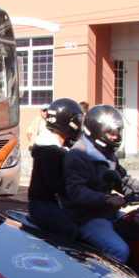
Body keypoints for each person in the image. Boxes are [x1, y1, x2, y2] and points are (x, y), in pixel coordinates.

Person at [63, 104, 131, 263]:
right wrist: (106, 199)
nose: (115, 137)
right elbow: (76, 192)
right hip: (86, 217)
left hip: (106, 213)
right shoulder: (79, 155)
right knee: (119, 250)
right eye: (111, 133)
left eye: (117, 133)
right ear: (96, 130)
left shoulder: (108, 154)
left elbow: (124, 181)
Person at [28, 98, 83, 241]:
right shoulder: (49, 149)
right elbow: (53, 182)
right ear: (66, 121)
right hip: (41, 204)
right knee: (70, 231)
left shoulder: (62, 146)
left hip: (52, 202)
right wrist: (75, 193)